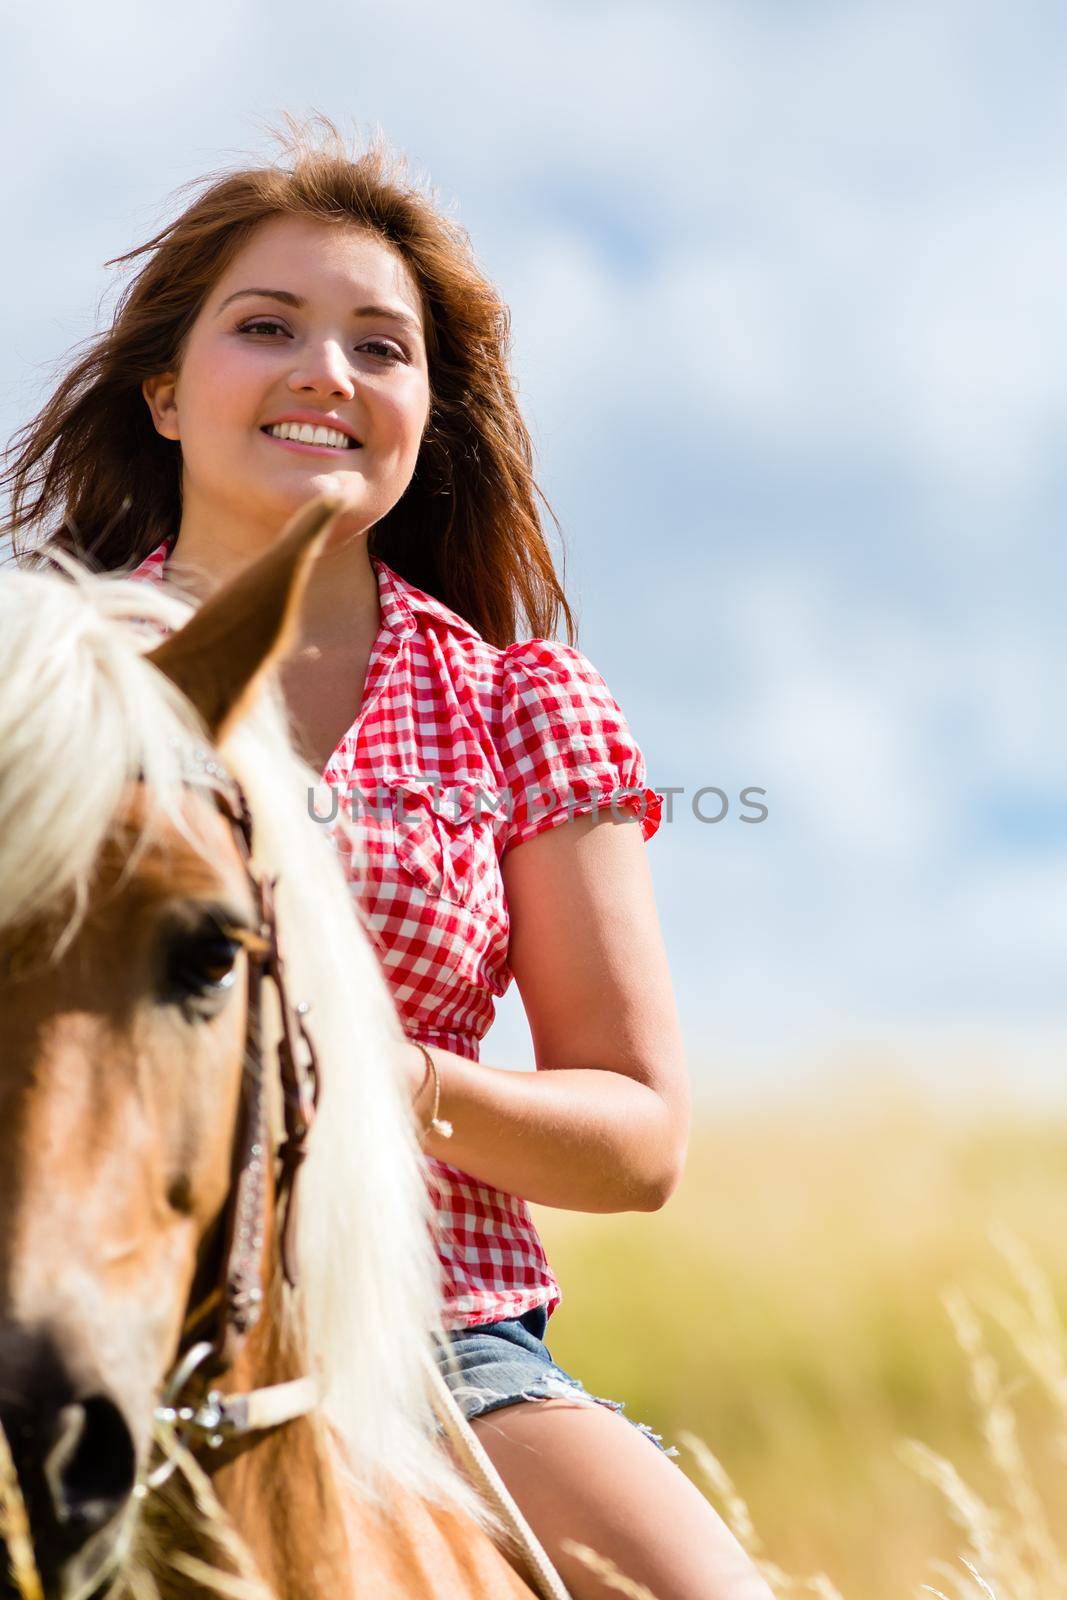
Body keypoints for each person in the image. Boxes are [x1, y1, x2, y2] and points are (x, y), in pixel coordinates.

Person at [3, 119, 773, 1600]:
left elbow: (640, 1137)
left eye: (381, 346)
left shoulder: (519, 703)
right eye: (268, 327)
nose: (327, 373)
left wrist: (373, 1069)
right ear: (163, 391)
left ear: (426, 414)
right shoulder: (35, 692)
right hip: (63, 1312)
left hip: (440, 1343)